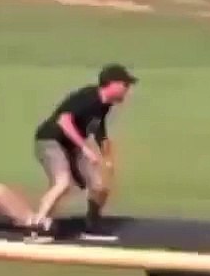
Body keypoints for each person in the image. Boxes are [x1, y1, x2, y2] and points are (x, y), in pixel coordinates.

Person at [29, 63, 137, 242]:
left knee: (99, 186)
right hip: (50, 140)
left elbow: (100, 132)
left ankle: (92, 226)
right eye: (125, 85)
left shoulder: (104, 105)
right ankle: (37, 227)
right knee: (62, 182)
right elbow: (63, 121)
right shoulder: (89, 96)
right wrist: (85, 149)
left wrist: (108, 159)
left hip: (72, 145)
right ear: (113, 84)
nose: (127, 90)